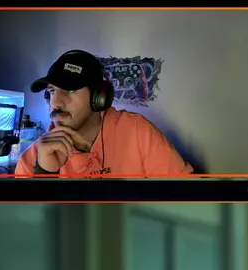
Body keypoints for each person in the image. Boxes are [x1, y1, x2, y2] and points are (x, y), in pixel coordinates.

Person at [14, 50, 192, 177]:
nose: (56, 103)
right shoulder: (33, 157)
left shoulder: (137, 132)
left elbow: (185, 199)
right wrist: (44, 173)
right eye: (52, 91)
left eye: (69, 90)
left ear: (99, 97)